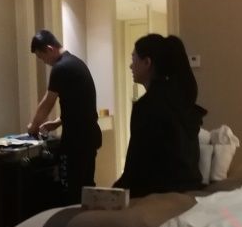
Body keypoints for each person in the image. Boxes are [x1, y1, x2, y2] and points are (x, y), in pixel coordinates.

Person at [114, 33, 206, 197]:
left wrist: (112, 192)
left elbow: (135, 167)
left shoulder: (147, 106)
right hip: (191, 187)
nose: (130, 65)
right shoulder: (180, 99)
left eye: (134, 58)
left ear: (147, 63)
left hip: (159, 193)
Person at [28, 30, 102, 204]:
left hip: (76, 141)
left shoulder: (60, 68)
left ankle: (73, 221)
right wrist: (57, 122)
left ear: (49, 49)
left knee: (72, 191)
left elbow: (47, 102)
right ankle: (87, 219)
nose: (44, 62)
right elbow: (80, 105)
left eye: (42, 57)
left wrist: (33, 126)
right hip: (89, 136)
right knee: (86, 188)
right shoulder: (76, 63)